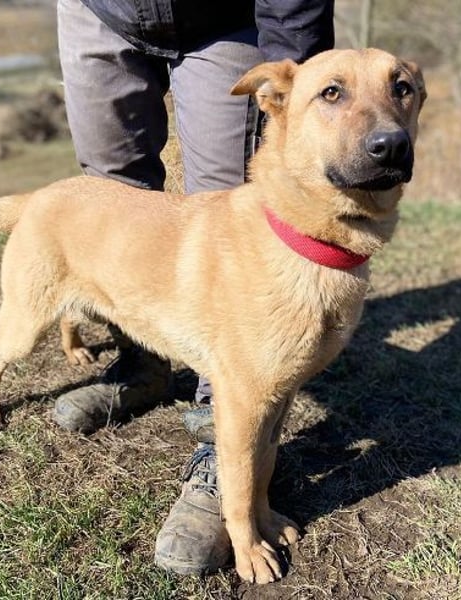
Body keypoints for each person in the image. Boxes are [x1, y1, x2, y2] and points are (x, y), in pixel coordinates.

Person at [51, 0, 334, 575]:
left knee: (230, 203)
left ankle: (219, 444)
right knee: (113, 205)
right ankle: (143, 366)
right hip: (99, 12)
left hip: (226, 16)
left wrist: (304, 82)